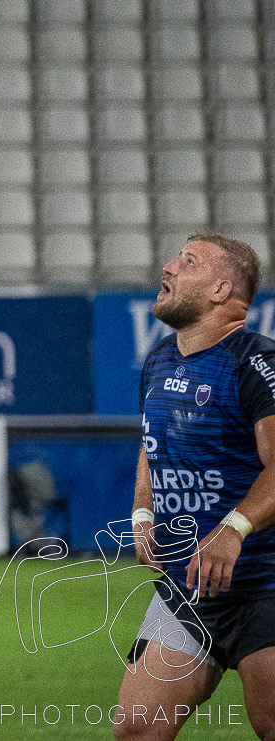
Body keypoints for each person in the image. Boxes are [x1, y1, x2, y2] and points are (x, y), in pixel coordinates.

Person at [116, 232, 274, 741]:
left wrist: (234, 528)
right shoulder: (160, 359)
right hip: (188, 588)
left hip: (265, 584)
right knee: (137, 728)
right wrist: (143, 516)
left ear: (222, 289)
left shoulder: (256, 363)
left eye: (187, 261)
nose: (168, 267)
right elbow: (150, 445)